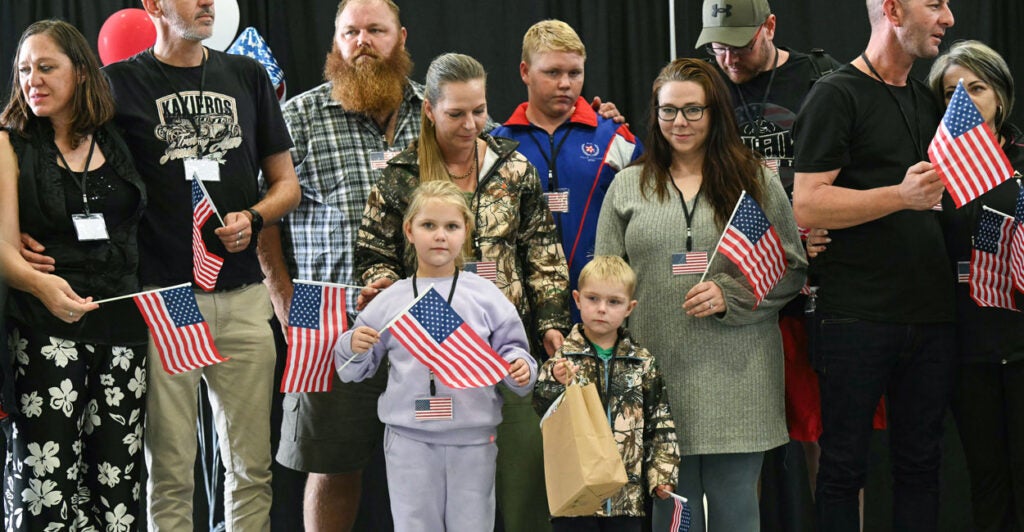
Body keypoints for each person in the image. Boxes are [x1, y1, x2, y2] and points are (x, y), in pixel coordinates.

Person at [92, 0, 300, 529]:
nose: (208, 1)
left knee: (251, 467)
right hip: (166, 300)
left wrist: (253, 217)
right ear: (154, 5)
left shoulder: (247, 75)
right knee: (170, 469)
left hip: (244, 298)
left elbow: (287, 187)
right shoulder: (117, 84)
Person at [356, 52, 570, 532]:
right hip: (431, 355)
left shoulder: (514, 168)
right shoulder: (399, 174)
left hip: (502, 346)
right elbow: (373, 254)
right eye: (456, 113)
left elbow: (543, 252)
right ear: (429, 110)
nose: (471, 123)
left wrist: (553, 323)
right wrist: (383, 290)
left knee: (519, 493)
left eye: (479, 110)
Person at [595, 58, 807, 532]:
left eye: (693, 110)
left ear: (716, 112)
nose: (680, 123)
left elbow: (792, 269)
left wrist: (731, 294)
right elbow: (604, 283)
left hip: (741, 371)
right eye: (668, 111)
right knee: (671, 510)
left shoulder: (756, 179)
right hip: (657, 373)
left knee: (735, 508)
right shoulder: (629, 184)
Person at [791, 0, 955, 530]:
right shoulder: (836, 94)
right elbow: (809, 204)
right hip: (857, 316)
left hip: (929, 314)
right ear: (892, 10)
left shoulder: (930, 100)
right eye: (934, 4)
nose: (948, 17)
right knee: (843, 469)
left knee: (922, 467)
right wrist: (900, 196)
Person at [257, 0, 416, 529]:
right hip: (331, 321)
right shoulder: (296, 117)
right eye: (351, 31)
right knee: (331, 468)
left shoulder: (437, 113)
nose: (363, 41)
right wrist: (282, 299)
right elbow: (265, 218)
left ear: (401, 37)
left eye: (376, 30)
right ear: (335, 41)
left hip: (429, 324)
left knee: (430, 463)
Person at [0, 19, 147, 530]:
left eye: (46, 67)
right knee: (47, 483)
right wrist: (42, 284)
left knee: (117, 487)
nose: (32, 79)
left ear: (81, 72)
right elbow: (3, 249)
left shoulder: (119, 136)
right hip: (44, 333)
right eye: (23, 69)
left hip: (124, 332)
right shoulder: (9, 143)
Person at [338, 180, 536, 531]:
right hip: (409, 439)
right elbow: (352, 370)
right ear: (409, 231)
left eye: (451, 226)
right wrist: (352, 345)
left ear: (466, 232)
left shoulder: (486, 295)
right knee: (415, 525)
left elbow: (514, 352)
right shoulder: (392, 299)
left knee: (473, 524)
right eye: (429, 225)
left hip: (473, 439)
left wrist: (522, 368)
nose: (440, 235)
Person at [927, 40, 1024, 531]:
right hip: (967, 349)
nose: (961, 100)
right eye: (949, 92)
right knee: (986, 479)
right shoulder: (930, 172)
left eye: (975, 88)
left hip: (1021, 343)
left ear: (1000, 97)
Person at [490, 20, 642, 322]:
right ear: (525, 72)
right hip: (521, 313)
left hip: (600, 311)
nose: (565, 84)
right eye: (552, 72)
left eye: (575, 73)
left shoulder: (615, 138)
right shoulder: (497, 145)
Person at [533, 255, 680, 532]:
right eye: (592, 299)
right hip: (575, 496)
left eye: (613, 302)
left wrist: (662, 473)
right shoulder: (563, 358)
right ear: (577, 300)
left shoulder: (643, 362)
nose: (602, 309)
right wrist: (554, 380)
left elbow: (661, 422)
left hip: (627, 498)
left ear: (629, 307)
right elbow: (540, 405)